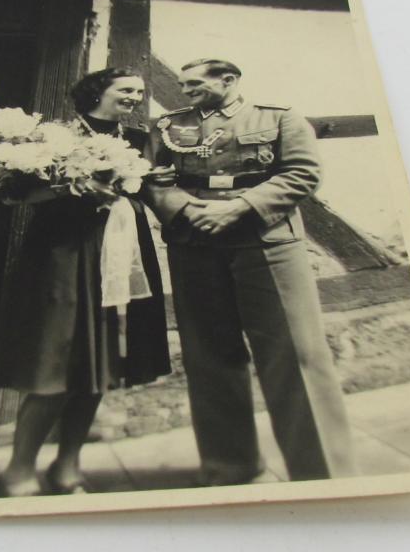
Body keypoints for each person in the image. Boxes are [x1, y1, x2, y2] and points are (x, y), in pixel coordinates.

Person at [143, 58, 357, 485]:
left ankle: (323, 473)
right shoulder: (167, 126)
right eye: (183, 86)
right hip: (195, 244)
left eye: (195, 84)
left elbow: (303, 174)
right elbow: (150, 180)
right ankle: (231, 468)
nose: (187, 92)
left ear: (229, 80)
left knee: (296, 355)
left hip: (268, 243)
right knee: (209, 358)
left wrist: (239, 207)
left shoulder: (279, 118)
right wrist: (186, 209)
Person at [0, 67, 170, 497]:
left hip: (120, 258)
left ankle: (67, 467)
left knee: (100, 366)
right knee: (55, 366)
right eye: (125, 90)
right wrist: (74, 187)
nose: (135, 97)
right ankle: (18, 470)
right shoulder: (56, 135)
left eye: (139, 92)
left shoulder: (141, 141)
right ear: (96, 92)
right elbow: (16, 195)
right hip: (64, 255)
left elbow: (150, 190)